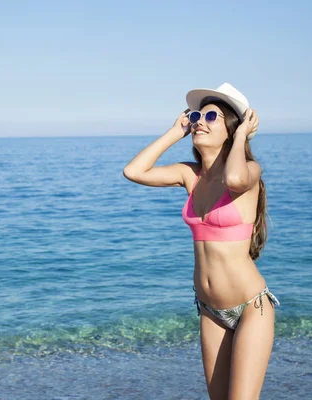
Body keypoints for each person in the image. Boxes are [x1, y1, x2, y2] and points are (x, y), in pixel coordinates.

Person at [123, 83, 280, 400]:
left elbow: (234, 179)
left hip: (251, 307)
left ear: (232, 128)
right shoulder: (189, 175)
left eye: (211, 116)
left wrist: (241, 139)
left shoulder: (249, 170)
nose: (199, 121)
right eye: (196, 115)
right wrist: (174, 132)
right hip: (210, 310)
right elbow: (133, 171)